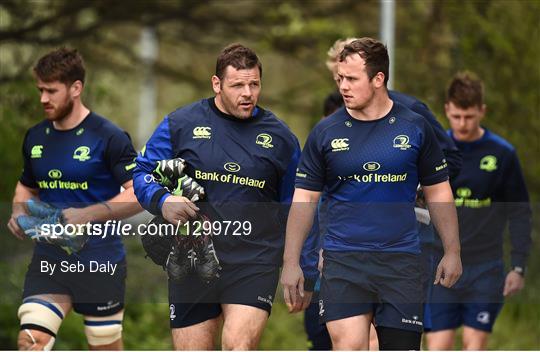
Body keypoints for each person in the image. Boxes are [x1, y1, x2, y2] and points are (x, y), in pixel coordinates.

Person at [281, 37, 462, 350]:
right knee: (349, 346)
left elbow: (439, 191)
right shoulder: (325, 132)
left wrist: (453, 251)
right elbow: (304, 199)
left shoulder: (415, 126)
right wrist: (291, 261)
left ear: (378, 79)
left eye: (352, 79)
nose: (343, 87)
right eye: (340, 79)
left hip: (401, 262)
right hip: (343, 262)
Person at [133, 43, 300, 350]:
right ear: (216, 84)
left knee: (238, 344)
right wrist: (162, 200)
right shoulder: (181, 124)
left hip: (254, 261)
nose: (247, 93)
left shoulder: (281, 139)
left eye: (254, 84)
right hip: (192, 257)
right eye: (237, 85)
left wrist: (298, 263)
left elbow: (298, 206)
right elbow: (143, 170)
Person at [6, 48, 142, 350]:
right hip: (50, 259)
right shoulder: (35, 136)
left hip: (100, 261)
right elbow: (27, 186)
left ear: (76, 88)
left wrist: (87, 215)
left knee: (103, 344)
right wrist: (18, 211)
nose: (43, 98)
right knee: (31, 340)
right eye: (40, 89)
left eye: (51, 91)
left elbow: (140, 193)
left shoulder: (109, 137)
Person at [426, 72, 532, 350]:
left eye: (470, 117)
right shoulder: (435, 151)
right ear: (447, 109)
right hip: (441, 265)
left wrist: (518, 266)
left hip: (486, 267)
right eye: (457, 116)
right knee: (438, 345)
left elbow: (519, 212)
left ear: (482, 111)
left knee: (474, 345)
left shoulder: (502, 154)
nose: (463, 124)